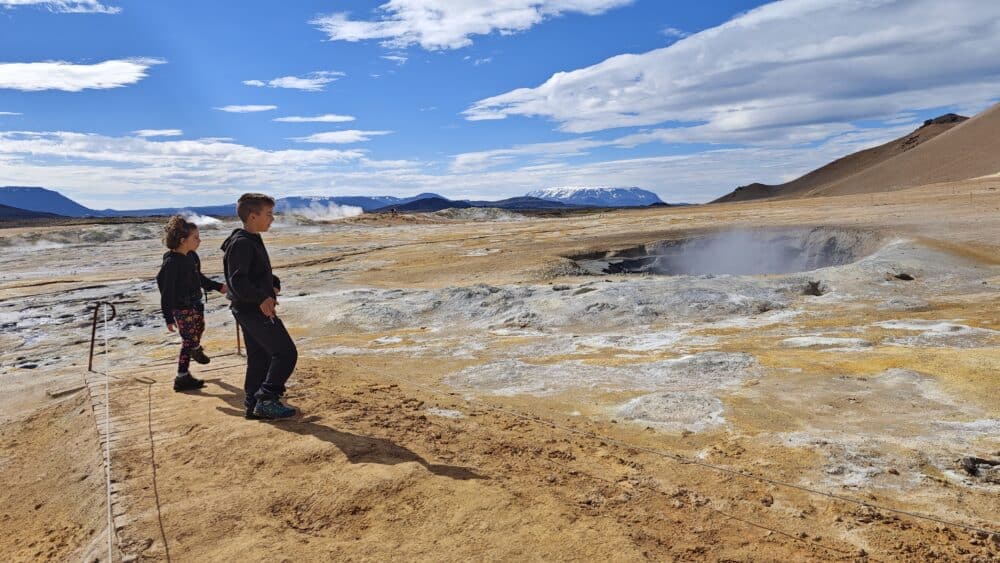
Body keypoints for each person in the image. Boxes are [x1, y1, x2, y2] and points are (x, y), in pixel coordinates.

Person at [221, 193, 298, 420]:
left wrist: (273, 284)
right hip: (253, 309)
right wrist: (261, 299)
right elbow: (237, 280)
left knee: (259, 357)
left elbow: (256, 273)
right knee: (285, 353)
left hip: (248, 307)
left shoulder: (250, 239)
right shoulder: (242, 243)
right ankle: (267, 398)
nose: (272, 219)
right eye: (268, 214)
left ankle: (253, 402)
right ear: (253, 216)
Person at [156, 215, 227, 391]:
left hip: (196, 302)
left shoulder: (192, 256)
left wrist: (218, 287)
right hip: (181, 307)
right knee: (187, 340)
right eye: (195, 238)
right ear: (182, 240)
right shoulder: (171, 263)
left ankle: (195, 347)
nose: (199, 241)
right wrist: (168, 317)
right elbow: (166, 292)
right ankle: (182, 377)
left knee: (200, 329)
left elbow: (199, 278)